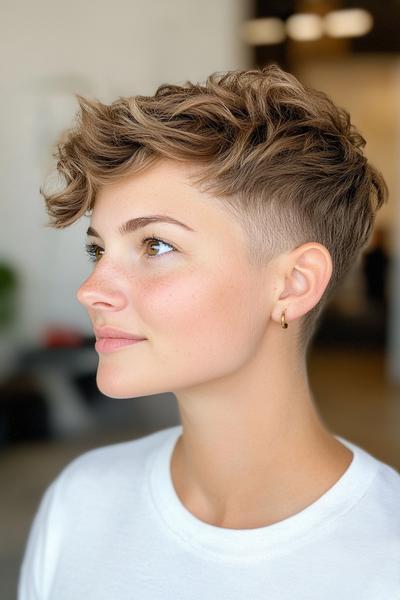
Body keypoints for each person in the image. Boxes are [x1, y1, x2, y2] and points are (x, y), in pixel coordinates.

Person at [18, 64, 399, 599]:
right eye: (98, 249)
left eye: (156, 245)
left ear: (292, 284)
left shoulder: (388, 557)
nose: (92, 288)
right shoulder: (80, 502)